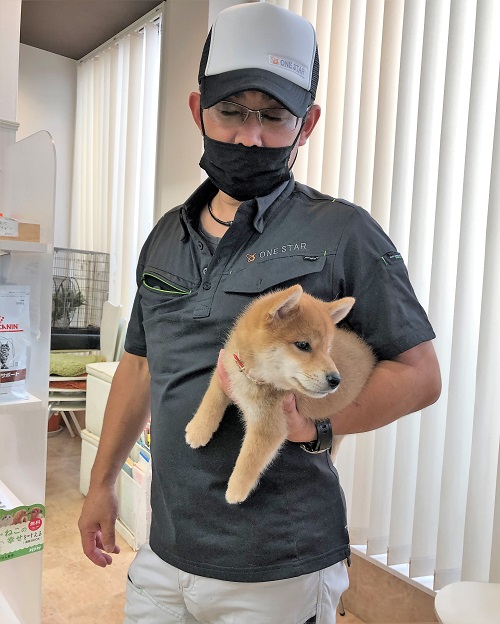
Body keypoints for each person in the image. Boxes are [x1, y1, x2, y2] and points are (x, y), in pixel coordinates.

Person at [78, 3, 441, 623]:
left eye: (274, 116)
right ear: (198, 110)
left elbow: (419, 375)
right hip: (165, 549)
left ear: (307, 124)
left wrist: (317, 426)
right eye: (231, 110)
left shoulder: (343, 232)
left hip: (278, 564)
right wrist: (101, 482)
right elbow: (139, 366)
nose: (250, 137)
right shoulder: (165, 236)